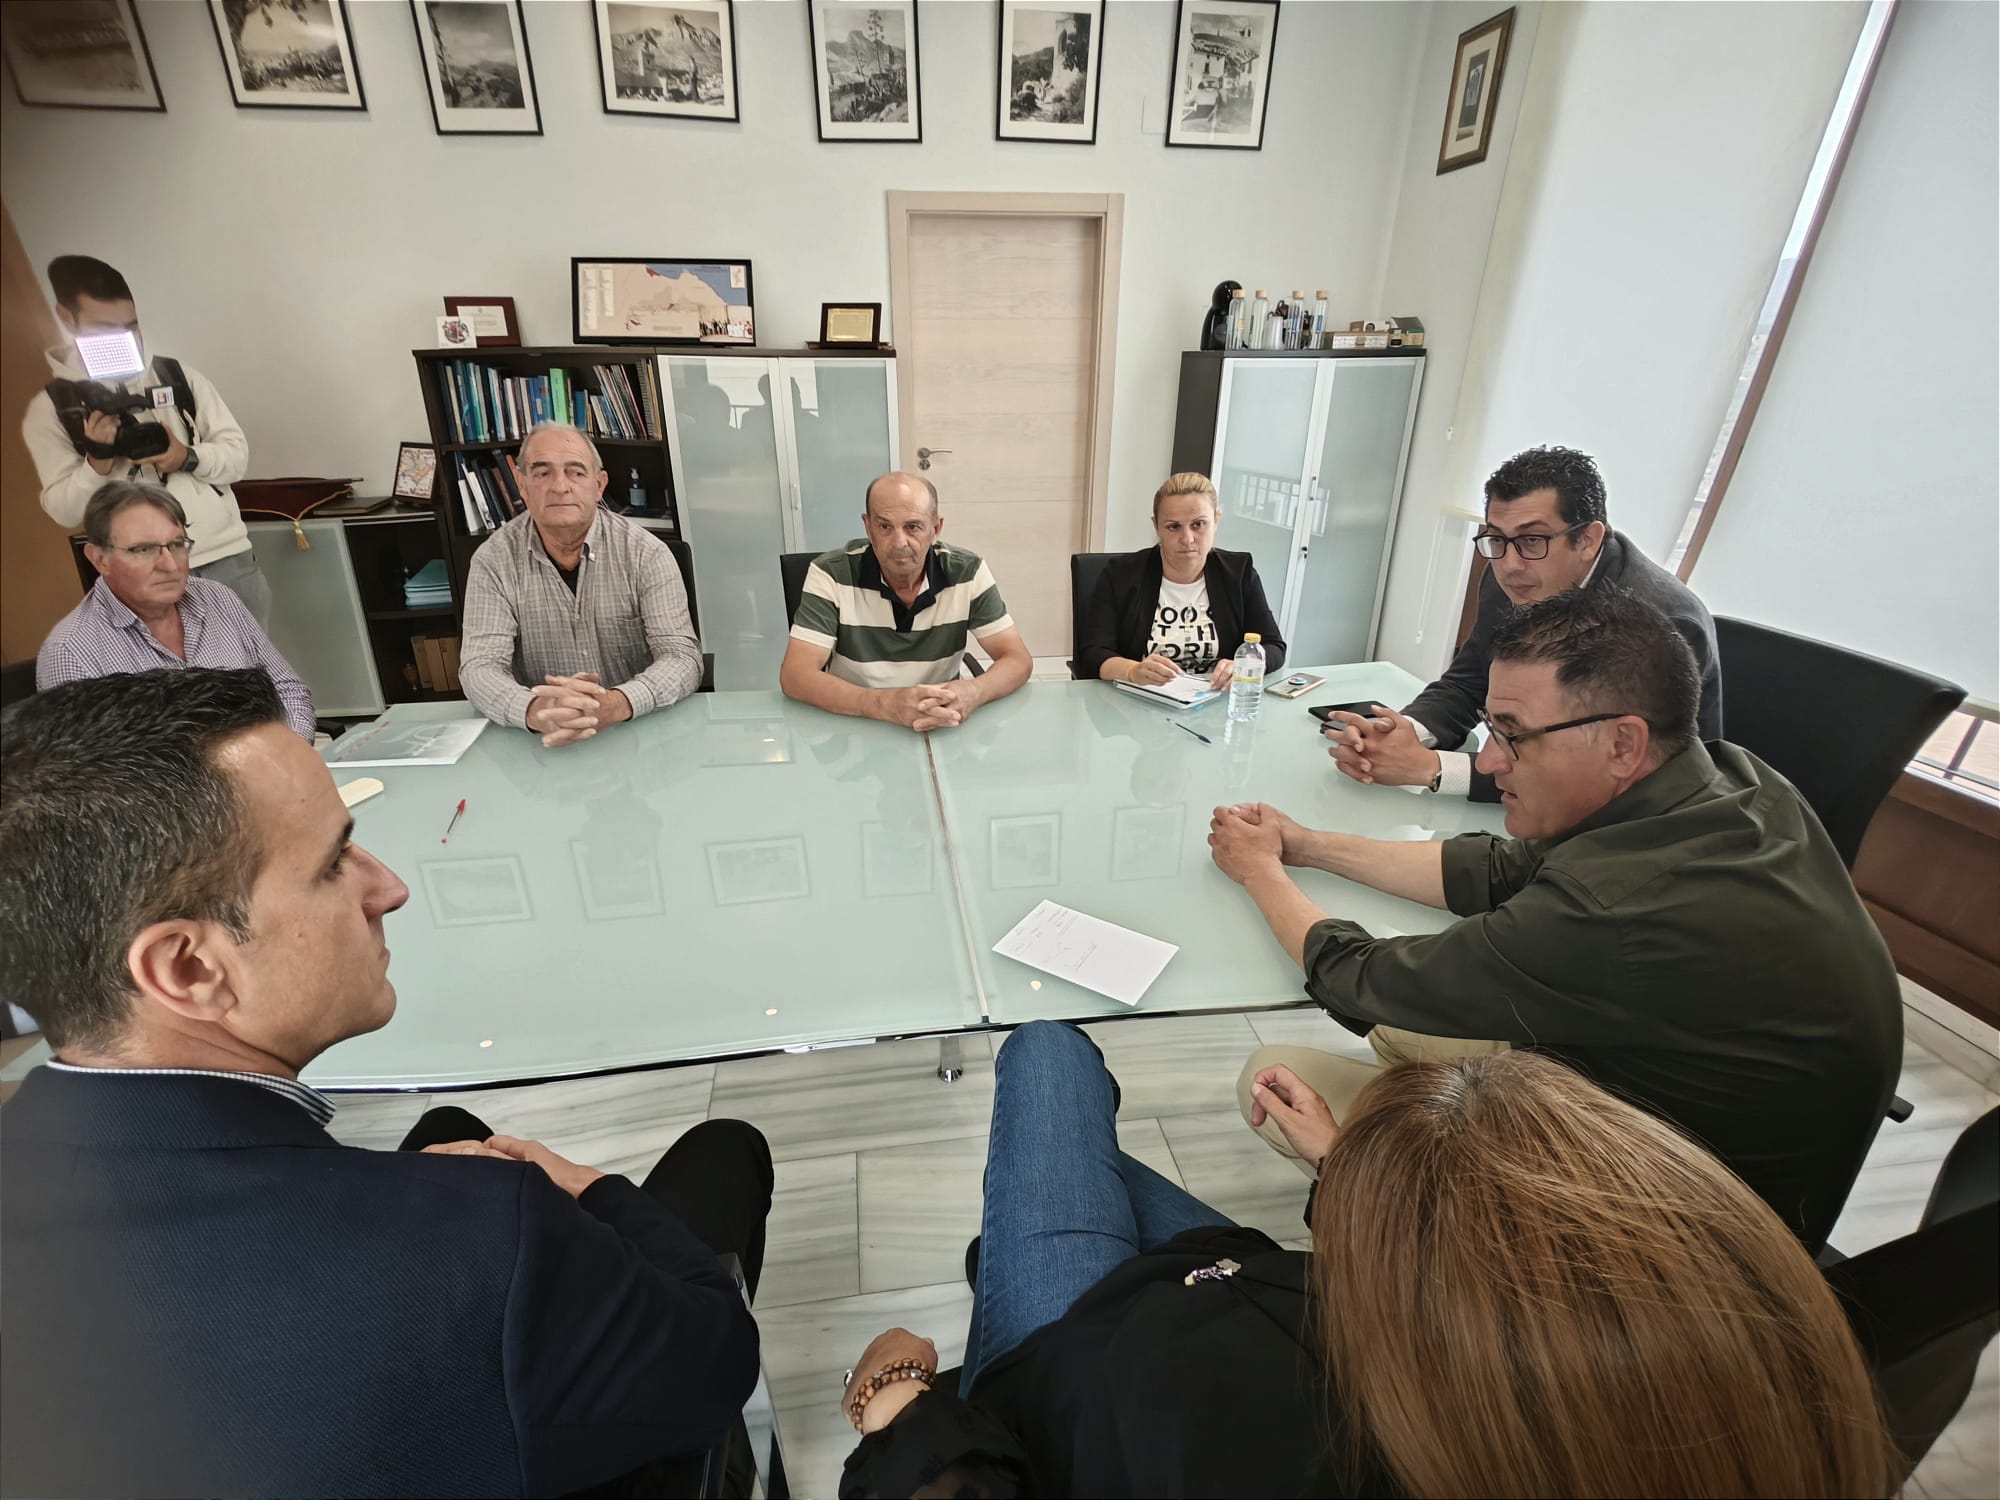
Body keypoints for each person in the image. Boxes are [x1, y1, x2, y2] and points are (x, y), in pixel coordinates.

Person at [0, 668, 771, 1498]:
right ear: (188, 967)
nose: (390, 888)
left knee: (444, 1124)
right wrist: (588, 1191)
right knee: (726, 1152)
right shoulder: (488, 1242)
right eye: (335, 864)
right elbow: (716, 1359)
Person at [835, 1022, 1897, 1498]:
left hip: (1065, 1367)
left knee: (1049, 1056)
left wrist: (897, 1406)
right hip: (1227, 1288)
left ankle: (1014, 1275)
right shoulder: (1706, 1431)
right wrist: (1365, 1174)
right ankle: (1023, 1243)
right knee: (1072, 1169)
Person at [1208, 588, 1901, 1253]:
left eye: (1512, 736)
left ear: (1623, 744)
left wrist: (1260, 873)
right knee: (1405, 1027)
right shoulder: (1732, 775)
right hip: (1673, 1117)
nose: (1485, 760)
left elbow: (1356, 978)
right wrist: (1308, 846)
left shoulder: (1613, 910)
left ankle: (1403, 1234)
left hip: (1679, 1246)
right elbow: (1502, 869)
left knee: (1275, 1071)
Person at [1323, 445, 1720, 802]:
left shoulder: (1659, 624)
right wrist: (1407, 732)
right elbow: (1470, 681)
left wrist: (1433, 769)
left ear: (1588, 540)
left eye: (1532, 540)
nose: (1510, 565)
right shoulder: (1513, 578)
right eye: (1497, 538)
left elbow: (1613, 774)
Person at [22, 255, 270, 626]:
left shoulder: (177, 375)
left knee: (256, 680)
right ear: (66, 318)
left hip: (226, 560)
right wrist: (97, 464)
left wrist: (186, 457)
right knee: (177, 686)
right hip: (141, 577)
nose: (124, 339)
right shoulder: (53, 409)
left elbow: (237, 458)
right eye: (104, 328)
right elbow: (63, 510)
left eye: (131, 326)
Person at [460, 422, 703, 747]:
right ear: (521, 484)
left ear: (599, 485)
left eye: (575, 472)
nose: (560, 486)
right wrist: (535, 709)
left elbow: (681, 657)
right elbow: (480, 666)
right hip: (542, 741)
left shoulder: (647, 554)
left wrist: (616, 703)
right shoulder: (493, 560)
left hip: (638, 733)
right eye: (542, 473)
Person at [34, 481, 314, 740]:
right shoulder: (71, 650)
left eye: (177, 545)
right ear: (100, 559)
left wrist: (286, 760)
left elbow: (289, 690)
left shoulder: (218, 598)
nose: (169, 565)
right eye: (143, 549)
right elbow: (92, 772)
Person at [781, 472, 1032, 731]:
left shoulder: (968, 571)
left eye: (913, 527)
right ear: (868, 527)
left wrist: (973, 692)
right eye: (884, 526)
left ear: (936, 529)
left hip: (940, 723)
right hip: (854, 722)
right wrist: (885, 705)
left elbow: (1017, 659)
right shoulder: (830, 574)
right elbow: (796, 676)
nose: (899, 542)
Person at [1075, 470, 1286, 691]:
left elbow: (1273, 647)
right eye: (1174, 527)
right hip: (1139, 703)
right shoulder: (1120, 574)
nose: (1187, 539)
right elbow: (1092, 654)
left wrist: (1243, 665)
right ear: (1156, 526)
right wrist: (1131, 671)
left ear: (1216, 520)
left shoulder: (1238, 573)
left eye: (1198, 524)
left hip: (1215, 705)